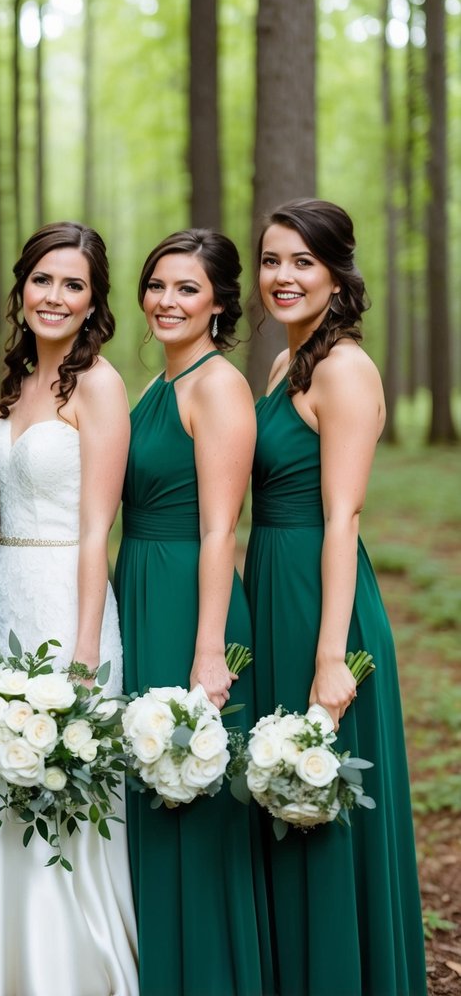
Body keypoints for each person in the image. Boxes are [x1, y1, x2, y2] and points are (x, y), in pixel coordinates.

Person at [245, 197, 427, 996]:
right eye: (271, 260)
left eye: (301, 262)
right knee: (279, 797)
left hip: (323, 601)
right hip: (271, 587)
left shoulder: (346, 369)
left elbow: (342, 515)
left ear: (335, 274)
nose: (282, 277)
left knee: (322, 800)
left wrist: (328, 655)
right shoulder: (287, 365)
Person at [0, 221, 138, 996]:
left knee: (65, 787)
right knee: (5, 783)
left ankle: (76, 972)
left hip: (70, 601)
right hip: (6, 592)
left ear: (94, 300)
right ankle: (8, 967)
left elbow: (99, 526)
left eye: (74, 284)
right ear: (21, 286)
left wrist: (78, 654)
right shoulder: (8, 384)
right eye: (43, 279)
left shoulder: (98, 383)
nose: (55, 296)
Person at [114, 229, 272, 996]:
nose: (166, 301)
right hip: (137, 584)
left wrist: (209, 649)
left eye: (185, 288)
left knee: (189, 785)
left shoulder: (216, 386)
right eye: (156, 286)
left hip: (189, 596)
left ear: (217, 302)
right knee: (146, 783)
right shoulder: (154, 387)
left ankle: (206, 975)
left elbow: (221, 528)